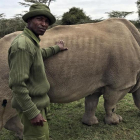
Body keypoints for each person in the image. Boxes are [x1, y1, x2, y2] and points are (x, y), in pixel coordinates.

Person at [8, 3, 68, 140]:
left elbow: (38, 54)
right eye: (39, 19)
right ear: (29, 20)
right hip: (32, 105)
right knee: (37, 137)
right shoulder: (22, 45)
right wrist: (32, 112)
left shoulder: (30, 41)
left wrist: (56, 48)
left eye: (46, 21)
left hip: (37, 103)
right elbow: (17, 84)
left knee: (42, 135)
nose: (44, 24)